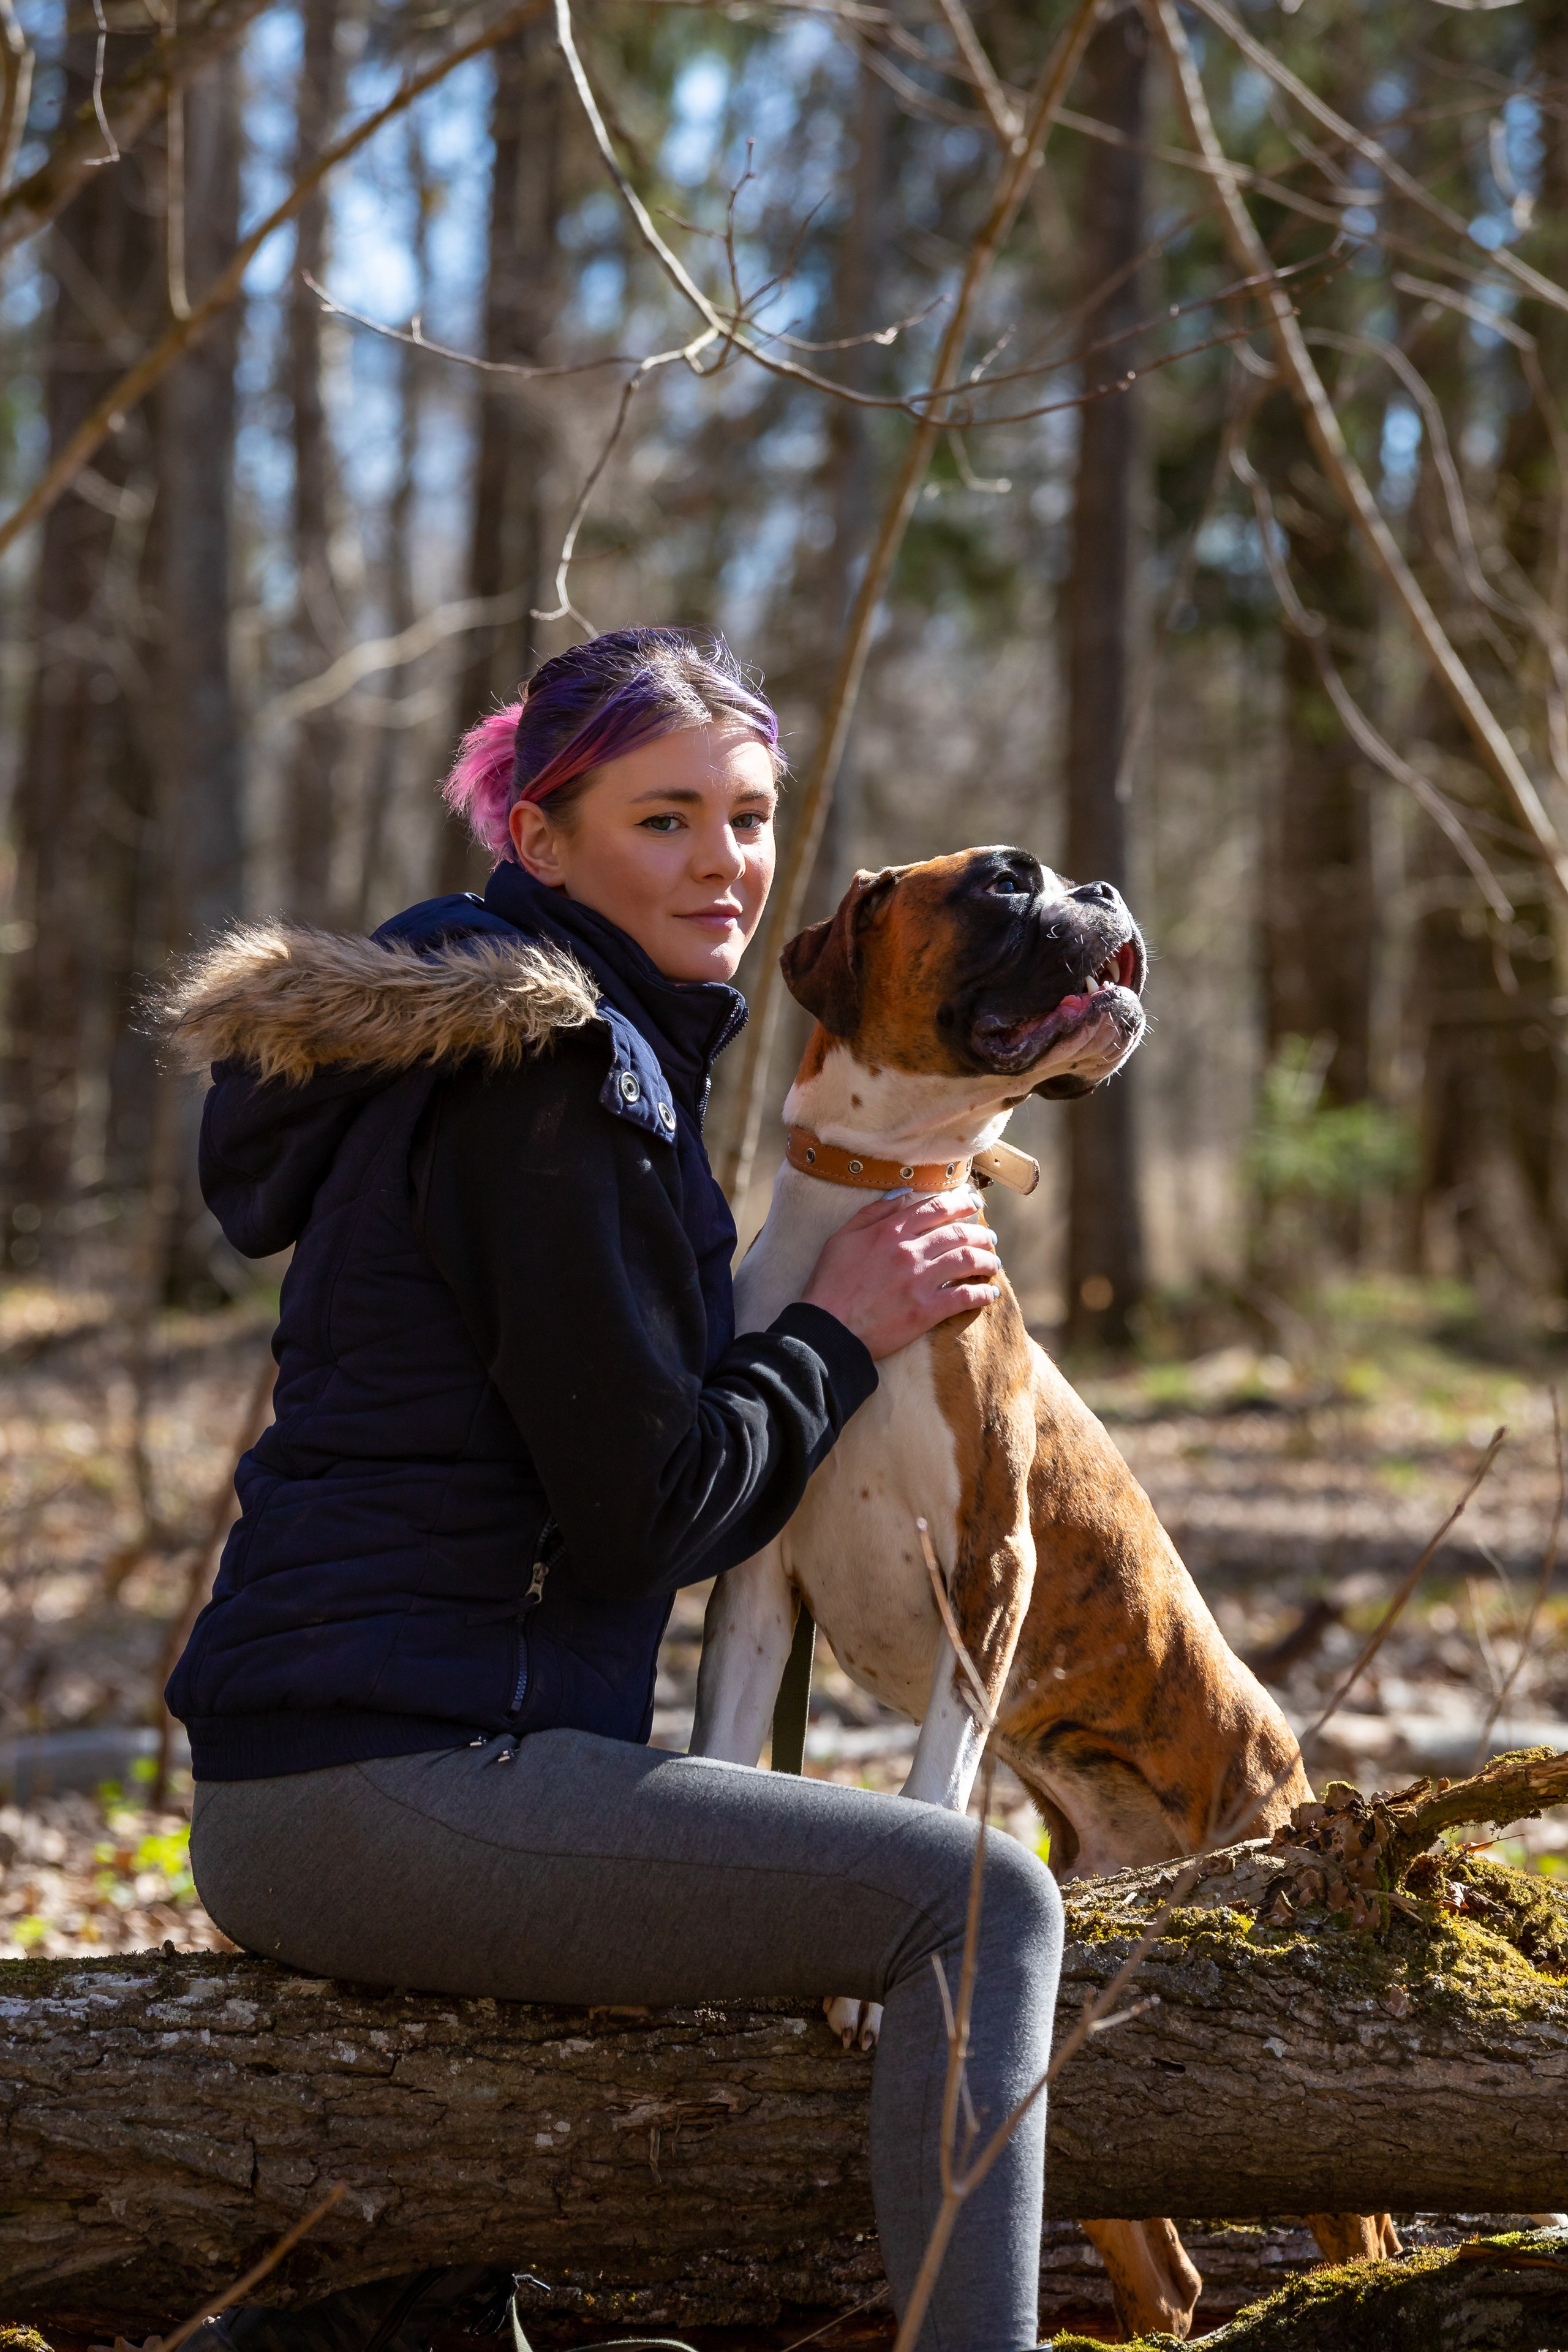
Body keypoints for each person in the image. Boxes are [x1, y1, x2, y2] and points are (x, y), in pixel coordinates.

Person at [166, 627, 1064, 2352]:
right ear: (543, 839)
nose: (725, 863)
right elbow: (651, 1513)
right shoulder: (554, 1079)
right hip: (398, 1777)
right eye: (665, 820)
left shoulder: (567, 1053)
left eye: (750, 818)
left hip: (353, 1767)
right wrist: (836, 1331)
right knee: (981, 1903)